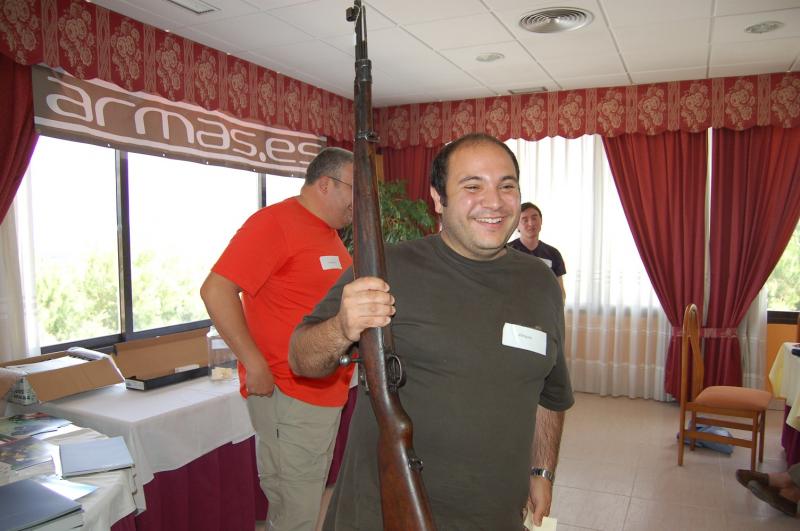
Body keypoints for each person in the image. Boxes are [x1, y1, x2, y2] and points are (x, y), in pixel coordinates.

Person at [288, 133, 574, 530]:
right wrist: (341, 326)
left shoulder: (541, 284)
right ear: (438, 199)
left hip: (494, 515)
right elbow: (301, 359)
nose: (494, 201)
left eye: (506, 186)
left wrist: (542, 472)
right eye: (472, 186)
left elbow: (550, 393)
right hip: (380, 515)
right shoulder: (387, 268)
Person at [200, 147, 355, 531]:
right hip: (289, 392)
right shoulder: (275, 224)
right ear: (326, 184)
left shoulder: (329, 235)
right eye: (356, 189)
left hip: (321, 391)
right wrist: (253, 363)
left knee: (298, 504)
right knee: (297, 509)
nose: (361, 201)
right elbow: (216, 290)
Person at [508, 203, 567, 300]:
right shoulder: (506, 251)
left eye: (534, 218)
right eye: (525, 220)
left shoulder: (553, 253)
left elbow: (560, 292)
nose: (531, 223)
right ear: (516, 225)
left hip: (544, 306)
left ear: (541, 220)